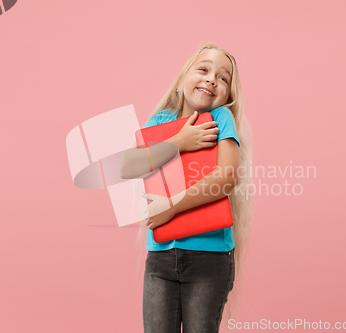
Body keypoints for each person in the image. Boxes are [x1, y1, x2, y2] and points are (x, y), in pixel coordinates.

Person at [120, 43, 254, 333]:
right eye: (203, 69)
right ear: (183, 79)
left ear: (228, 94)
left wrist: (171, 207)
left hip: (209, 259)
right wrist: (179, 142)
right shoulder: (162, 121)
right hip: (161, 258)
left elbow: (227, 177)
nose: (211, 79)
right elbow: (127, 166)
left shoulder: (220, 119)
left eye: (223, 78)